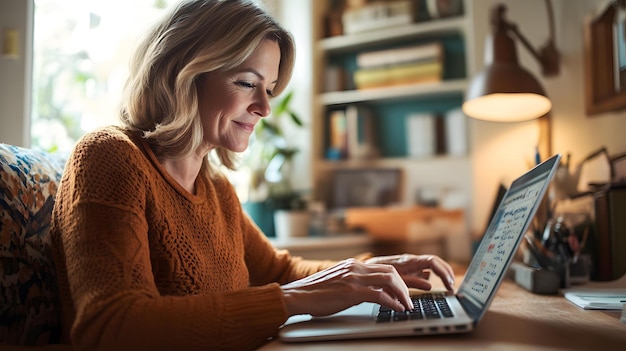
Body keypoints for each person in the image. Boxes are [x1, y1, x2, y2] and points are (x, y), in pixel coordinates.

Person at [50, 0, 456, 350]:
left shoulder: (216, 188)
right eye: (247, 83)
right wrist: (289, 300)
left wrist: (372, 270)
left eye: (271, 89)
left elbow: (280, 271)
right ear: (184, 74)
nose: (265, 107)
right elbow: (111, 326)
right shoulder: (110, 156)